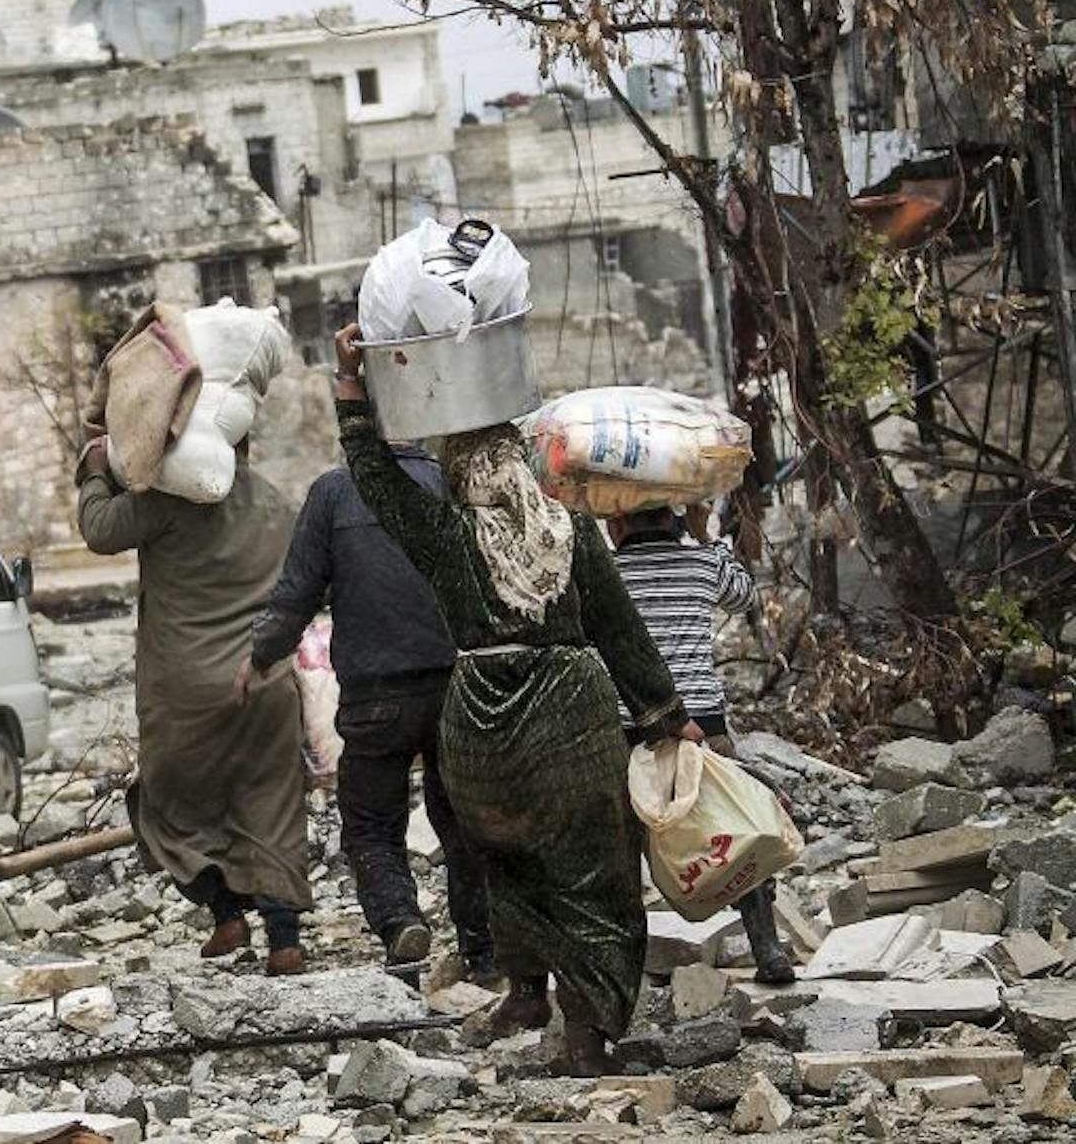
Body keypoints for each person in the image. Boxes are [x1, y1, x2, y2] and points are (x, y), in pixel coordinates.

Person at [329, 324, 700, 1076]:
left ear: (462, 474)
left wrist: (351, 392)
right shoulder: (571, 531)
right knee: (592, 869)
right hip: (570, 714)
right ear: (526, 470)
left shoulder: (447, 533)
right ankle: (588, 1034)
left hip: (483, 729)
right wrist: (668, 716)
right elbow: (619, 628)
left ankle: (525, 989)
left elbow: (377, 480)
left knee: (508, 856)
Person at [77, 434, 312, 976]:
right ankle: (284, 942)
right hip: (265, 680)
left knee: (164, 807)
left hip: (186, 691)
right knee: (272, 805)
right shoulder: (275, 501)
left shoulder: (168, 501)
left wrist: (95, 471)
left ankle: (225, 910)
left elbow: (99, 530)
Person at [251, 451, 493, 973]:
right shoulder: (448, 484)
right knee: (462, 820)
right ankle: (483, 949)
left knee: (371, 826)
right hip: (455, 683)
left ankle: (400, 921)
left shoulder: (333, 492)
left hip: (373, 694)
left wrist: (259, 658)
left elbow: (296, 596)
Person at [608, 503, 794, 985]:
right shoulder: (702, 563)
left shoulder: (606, 572)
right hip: (702, 727)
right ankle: (768, 950)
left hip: (625, 730)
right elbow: (744, 596)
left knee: (621, 848)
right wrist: (706, 535)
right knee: (734, 829)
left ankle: (623, 963)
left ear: (617, 523)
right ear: (676, 520)